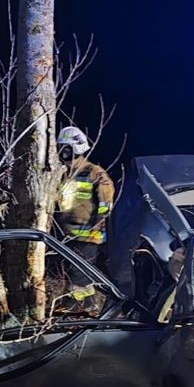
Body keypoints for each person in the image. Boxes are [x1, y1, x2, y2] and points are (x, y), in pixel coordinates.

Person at [55, 127, 115, 306]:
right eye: (61, 148)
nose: (63, 152)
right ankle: (88, 302)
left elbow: (106, 202)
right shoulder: (63, 174)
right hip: (68, 233)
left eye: (67, 148)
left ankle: (78, 306)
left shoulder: (94, 172)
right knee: (76, 272)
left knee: (80, 274)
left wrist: (97, 226)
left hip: (89, 234)